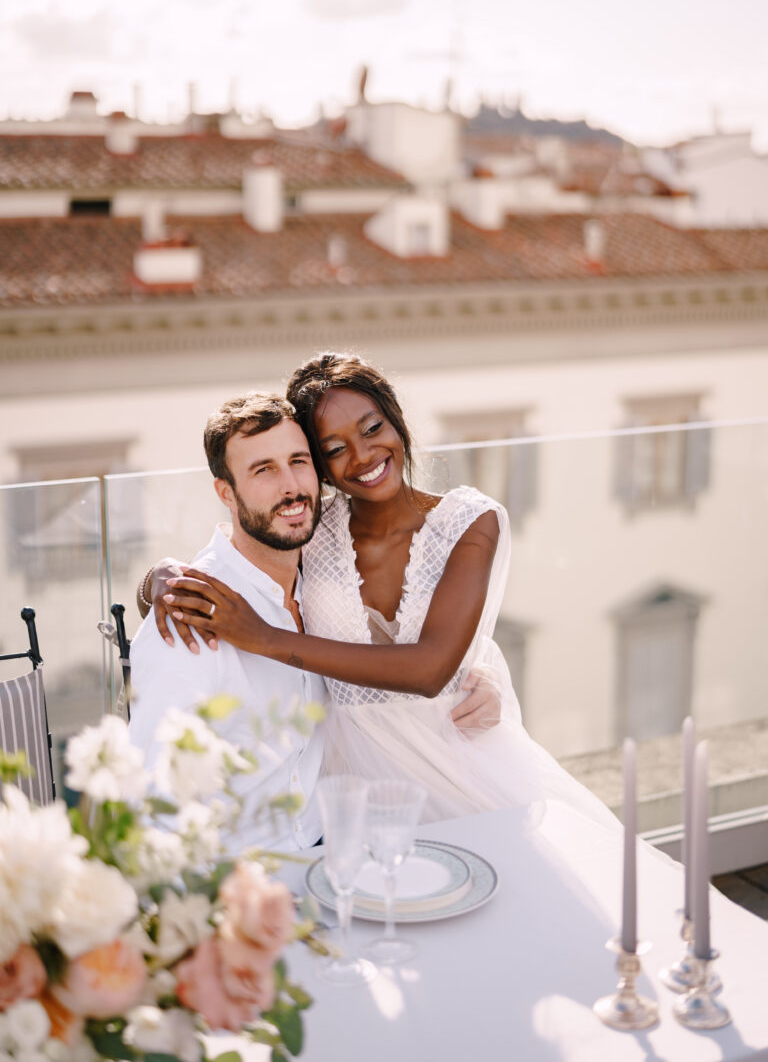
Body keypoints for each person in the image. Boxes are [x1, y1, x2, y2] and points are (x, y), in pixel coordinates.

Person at [157, 354, 616, 828]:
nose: (362, 456)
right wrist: (161, 577)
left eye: (372, 428)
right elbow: (246, 548)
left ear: (396, 421)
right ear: (320, 467)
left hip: (459, 766)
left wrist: (265, 639)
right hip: (348, 787)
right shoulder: (312, 529)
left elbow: (431, 670)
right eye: (335, 449)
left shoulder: (470, 523)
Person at [129, 393, 328, 853]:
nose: (292, 487)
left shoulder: (324, 574)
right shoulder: (189, 617)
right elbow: (157, 805)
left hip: (323, 855)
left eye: (298, 461)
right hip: (236, 881)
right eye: (264, 470)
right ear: (226, 493)